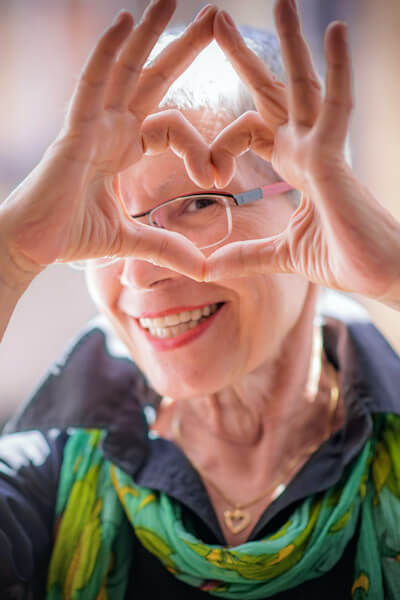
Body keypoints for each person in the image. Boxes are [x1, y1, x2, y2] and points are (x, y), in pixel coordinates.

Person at [0, 0, 400, 597]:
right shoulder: (42, 476)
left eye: (199, 203)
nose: (138, 274)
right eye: (105, 220)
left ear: (313, 204)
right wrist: (8, 259)